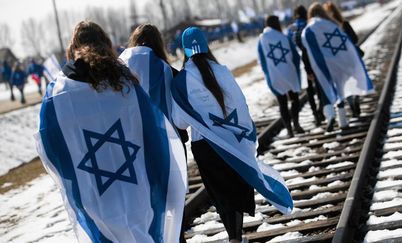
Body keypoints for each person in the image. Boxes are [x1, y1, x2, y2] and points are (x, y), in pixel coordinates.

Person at [34, 21, 187, 243]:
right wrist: (160, 180)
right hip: (137, 188)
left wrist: (74, 179)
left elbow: (50, 147)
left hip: (93, 194)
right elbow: (152, 132)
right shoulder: (126, 84)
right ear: (106, 44)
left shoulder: (57, 93)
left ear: (72, 47)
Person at [171, 27, 293, 243]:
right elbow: (240, 104)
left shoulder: (182, 81)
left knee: (221, 193)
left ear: (185, 50)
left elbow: (180, 121)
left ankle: (234, 237)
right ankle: (236, 236)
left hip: (206, 147)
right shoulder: (222, 71)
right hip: (235, 140)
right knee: (236, 188)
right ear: (206, 45)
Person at [301, 3, 374, 132]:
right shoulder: (332, 24)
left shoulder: (311, 28)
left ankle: (337, 119)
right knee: (342, 89)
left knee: (332, 90)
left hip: (328, 65)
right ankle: (344, 117)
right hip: (342, 62)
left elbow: (309, 48)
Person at [119, 23, 189, 151]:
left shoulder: (119, 69)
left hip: (135, 143)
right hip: (171, 142)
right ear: (158, 43)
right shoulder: (169, 71)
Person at [257, 15, 305, 137]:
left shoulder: (262, 40)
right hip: (290, 73)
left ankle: (289, 130)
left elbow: (262, 61)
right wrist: (295, 70)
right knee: (294, 99)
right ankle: (297, 125)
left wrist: (269, 75)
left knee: (282, 103)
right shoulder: (284, 38)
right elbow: (295, 56)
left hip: (275, 76)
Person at [287, 5, 325, 126]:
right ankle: (321, 110)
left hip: (299, 63)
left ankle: (315, 114)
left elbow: (288, 47)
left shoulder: (290, 29)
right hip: (312, 59)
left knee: (308, 90)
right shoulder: (309, 25)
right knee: (319, 87)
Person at [324, 1, 363, 117]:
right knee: (354, 81)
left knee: (345, 84)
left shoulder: (327, 29)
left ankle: (351, 103)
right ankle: (356, 99)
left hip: (338, 61)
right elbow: (355, 39)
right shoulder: (344, 23)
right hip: (351, 58)